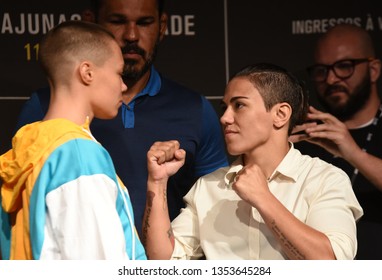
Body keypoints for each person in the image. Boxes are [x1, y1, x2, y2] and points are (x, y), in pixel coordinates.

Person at [13, 0, 229, 234]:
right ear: (90, 21)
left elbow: (214, 207)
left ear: (162, 25)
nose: (132, 35)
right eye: (117, 21)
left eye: (144, 23)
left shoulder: (195, 108)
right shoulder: (45, 111)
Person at [143, 63, 363, 260]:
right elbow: (163, 262)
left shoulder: (324, 179)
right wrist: (157, 182)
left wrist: (263, 198)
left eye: (239, 105)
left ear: (280, 114)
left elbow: (332, 264)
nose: (225, 118)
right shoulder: (209, 186)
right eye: (224, 108)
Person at [0, 20, 146, 260]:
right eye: (119, 73)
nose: (123, 85)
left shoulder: (29, 148)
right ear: (87, 72)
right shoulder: (78, 155)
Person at [290, 23, 382, 259]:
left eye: (344, 66)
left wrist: (353, 153)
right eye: (322, 70)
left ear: (373, 69)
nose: (331, 78)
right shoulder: (305, 137)